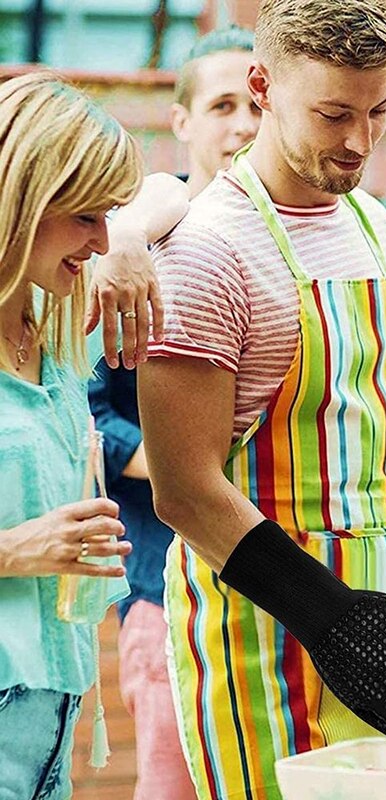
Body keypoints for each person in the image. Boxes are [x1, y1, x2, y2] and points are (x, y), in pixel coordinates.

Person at [138, 1, 386, 797]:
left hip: (372, 617)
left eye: (379, 111)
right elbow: (184, 491)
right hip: (260, 630)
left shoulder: (373, 226)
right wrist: (330, 617)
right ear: (263, 86)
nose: (359, 142)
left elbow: (369, 414)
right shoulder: (207, 249)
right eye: (333, 114)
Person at [88, 25, 260, 800]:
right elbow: (85, 414)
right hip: (168, 590)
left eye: (256, 105)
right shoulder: (137, 242)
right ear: (182, 121)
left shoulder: (295, 243)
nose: (244, 125)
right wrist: (192, 469)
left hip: (281, 593)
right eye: (222, 105)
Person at [0, 70, 142, 800]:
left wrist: (133, 242)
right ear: (22, 199)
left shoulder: (54, 340)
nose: (103, 240)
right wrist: (13, 550)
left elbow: (180, 196)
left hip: (53, 721)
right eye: (88, 215)